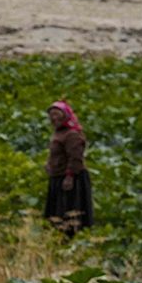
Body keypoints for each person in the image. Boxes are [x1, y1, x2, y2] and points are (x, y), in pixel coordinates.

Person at [43, 100, 92, 233]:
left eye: (57, 114)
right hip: (58, 176)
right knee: (56, 211)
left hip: (71, 179)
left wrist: (69, 177)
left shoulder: (72, 134)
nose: (54, 118)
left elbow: (75, 158)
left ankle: (69, 235)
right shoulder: (59, 132)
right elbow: (56, 153)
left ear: (65, 115)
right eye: (51, 115)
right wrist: (49, 164)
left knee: (68, 210)